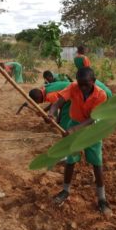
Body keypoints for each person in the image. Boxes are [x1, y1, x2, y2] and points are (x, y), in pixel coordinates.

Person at [47, 67, 111, 215]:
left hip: (92, 130)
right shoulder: (73, 87)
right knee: (71, 160)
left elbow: (93, 118)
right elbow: (59, 101)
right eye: (80, 84)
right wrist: (51, 111)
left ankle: (102, 199)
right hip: (74, 123)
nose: (82, 87)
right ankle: (65, 191)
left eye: (86, 84)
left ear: (93, 81)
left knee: (97, 163)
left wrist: (75, 130)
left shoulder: (101, 95)